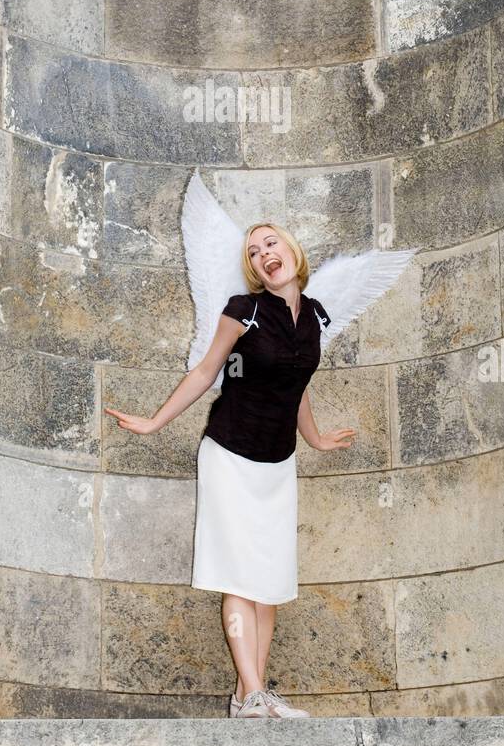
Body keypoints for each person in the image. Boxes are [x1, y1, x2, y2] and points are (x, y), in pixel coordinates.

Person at [105, 220, 357, 719]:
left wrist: (315, 436)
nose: (265, 254)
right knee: (241, 579)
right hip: (230, 454)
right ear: (253, 269)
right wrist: (157, 421)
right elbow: (206, 371)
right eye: (254, 251)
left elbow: (296, 383)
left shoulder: (315, 318)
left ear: (291, 251)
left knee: (270, 583)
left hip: (278, 462)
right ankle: (254, 690)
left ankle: (249, 695)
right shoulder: (245, 312)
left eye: (271, 243)